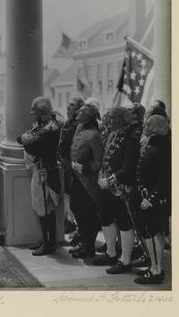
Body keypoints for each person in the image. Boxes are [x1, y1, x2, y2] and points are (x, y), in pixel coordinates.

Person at [93, 107, 139, 274]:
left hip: (121, 188)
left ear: (121, 119)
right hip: (106, 185)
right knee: (105, 218)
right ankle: (111, 253)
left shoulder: (131, 137)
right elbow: (107, 159)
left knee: (124, 223)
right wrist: (101, 175)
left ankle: (125, 261)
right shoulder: (112, 134)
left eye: (112, 118)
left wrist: (110, 180)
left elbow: (128, 168)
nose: (108, 120)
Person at [18, 96, 63, 256]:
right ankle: (46, 239)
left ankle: (50, 244)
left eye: (35, 111)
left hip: (46, 172)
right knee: (41, 207)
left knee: (45, 208)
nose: (32, 114)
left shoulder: (51, 127)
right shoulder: (42, 125)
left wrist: (26, 138)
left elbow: (30, 144)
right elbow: (23, 140)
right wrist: (27, 138)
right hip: (40, 169)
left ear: (41, 111)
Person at [134, 115, 171, 285]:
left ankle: (156, 271)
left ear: (156, 127)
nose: (144, 125)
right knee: (151, 231)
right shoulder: (154, 142)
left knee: (154, 232)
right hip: (147, 195)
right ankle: (154, 266)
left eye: (148, 124)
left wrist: (151, 198)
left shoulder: (164, 145)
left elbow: (166, 177)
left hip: (154, 199)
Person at [69, 103, 103, 259]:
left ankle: (88, 247)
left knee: (88, 214)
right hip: (77, 179)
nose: (78, 112)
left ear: (88, 116)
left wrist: (84, 168)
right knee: (76, 208)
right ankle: (83, 242)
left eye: (81, 111)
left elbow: (98, 161)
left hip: (88, 182)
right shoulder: (80, 129)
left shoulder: (94, 134)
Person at [58, 96, 84, 236]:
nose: (68, 107)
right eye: (68, 105)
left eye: (72, 105)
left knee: (75, 198)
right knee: (68, 195)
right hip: (64, 163)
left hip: (72, 164)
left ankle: (79, 228)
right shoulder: (68, 122)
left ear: (79, 109)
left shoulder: (78, 125)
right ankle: (71, 223)